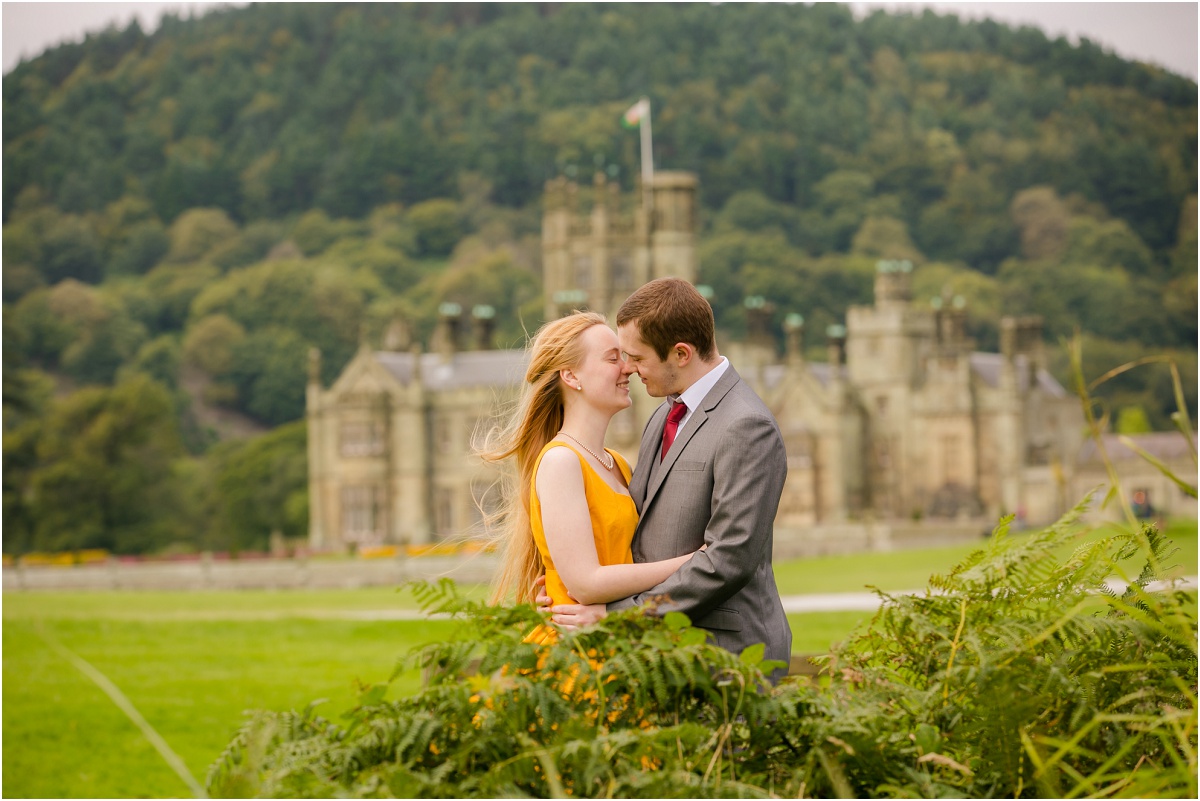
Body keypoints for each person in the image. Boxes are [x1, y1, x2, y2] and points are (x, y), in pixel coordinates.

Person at [539, 278, 792, 680]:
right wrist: (562, 591)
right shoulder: (663, 415)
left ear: (680, 353)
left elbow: (728, 561)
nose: (629, 368)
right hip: (663, 653)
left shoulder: (747, 425)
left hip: (725, 655)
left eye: (637, 357)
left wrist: (618, 617)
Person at [482, 311, 704, 633]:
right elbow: (586, 583)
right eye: (612, 358)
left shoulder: (617, 463)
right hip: (578, 651)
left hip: (615, 639)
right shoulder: (561, 462)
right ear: (571, 377)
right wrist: (695, 561)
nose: (627, 368)